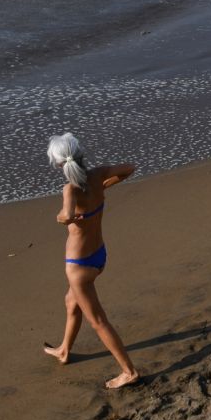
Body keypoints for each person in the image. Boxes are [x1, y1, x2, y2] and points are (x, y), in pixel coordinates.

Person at [41, 134, 140, 389]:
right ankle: (64, 350)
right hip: (99, 256)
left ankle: (129, 371)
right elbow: (130, 168)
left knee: (98, 321)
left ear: (60, 164)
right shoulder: (97, 176)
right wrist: (106, 184)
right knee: (70, 302)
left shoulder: (70, 189)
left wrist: (61, 217)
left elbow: (67, 215)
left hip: (79, 265)